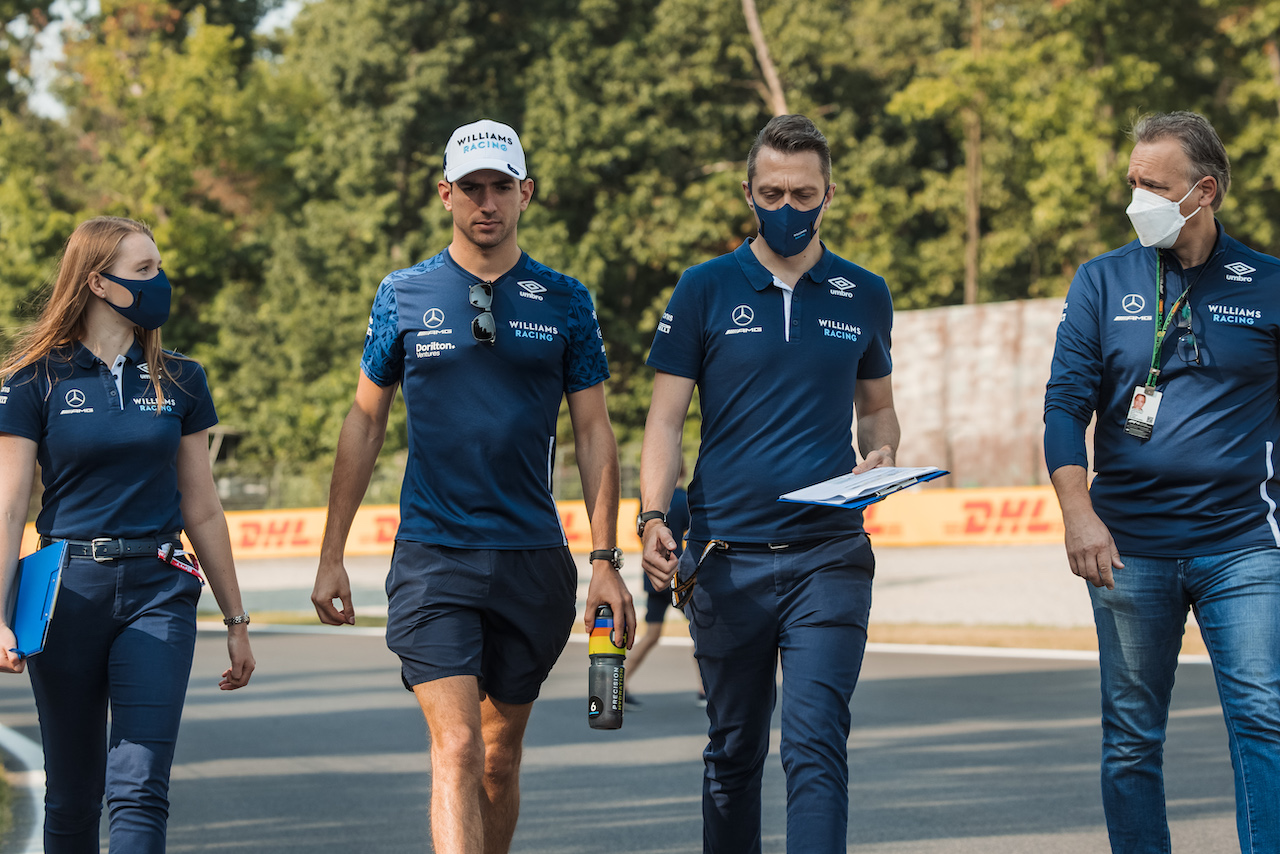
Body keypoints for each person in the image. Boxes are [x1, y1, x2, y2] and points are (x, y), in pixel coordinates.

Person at [311, 118, 634, 854]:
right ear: (445, 195)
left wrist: (605, 561)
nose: (485, 202)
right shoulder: (402, 294)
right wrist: (333, 552)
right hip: (434, 556)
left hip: (532, 557)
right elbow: (363, 423)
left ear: (526, 192)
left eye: (499, 187)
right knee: (455, 746)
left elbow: (593, 432)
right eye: (470, 188)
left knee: (497, 756)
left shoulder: (566, 301)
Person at [640, 114, 899, 853]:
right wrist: (654, 515)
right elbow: (664, 422)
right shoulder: (703, 290)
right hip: (724, 559)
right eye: (773, 193)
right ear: (748, 192)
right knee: (733, 754)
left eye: (804, 194)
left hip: (830, 557)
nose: (788, 208)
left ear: (829, 194)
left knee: (815, 747)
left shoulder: (863, 293)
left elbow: (878, 412)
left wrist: (880, 456)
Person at [1045, 111, 1280, 853]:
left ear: (1203, 191)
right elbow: (1063, 404)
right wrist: (1077, 513)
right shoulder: (1101, 279)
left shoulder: (1269, 284)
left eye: (1154, 185)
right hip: (1127, 548)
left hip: (1245, 546)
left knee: (1264, 717)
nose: (1135, 197)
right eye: (1132, 182)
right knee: (1131, 737)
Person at [0, 216, 255, 853]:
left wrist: (235, 619)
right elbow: (7, 508)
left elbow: (203, 508)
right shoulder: (34, 379)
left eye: (158, 268)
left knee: (140, 785)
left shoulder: (183, 378)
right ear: (98, 283)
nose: (159, 283)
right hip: (64, 595)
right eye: (143, 271)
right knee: (74, 797)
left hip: (159, 591)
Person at [624, 471, 699, 708]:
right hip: (678, 576)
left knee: (652, 634)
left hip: (655, 575)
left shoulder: (648, 502)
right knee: (701, 632)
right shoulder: (683, 499)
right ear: (684, 472)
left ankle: (618, 685)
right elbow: (694, 533)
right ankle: (706, 689)